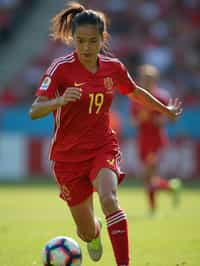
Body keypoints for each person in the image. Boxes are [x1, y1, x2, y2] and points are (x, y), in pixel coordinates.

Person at [29, 2, 182, 265]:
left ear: (103, 39)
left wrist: (165, 109)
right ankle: (95, 232)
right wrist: (60, 100)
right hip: (67, 157)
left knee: (110, 199)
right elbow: (35, 110)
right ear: (72, 39)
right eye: (80, 41)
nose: (86, 48)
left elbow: (135, 91)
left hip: (102, 146)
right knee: (86, 232)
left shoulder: (114, 68)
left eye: (92, 41)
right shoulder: (60, 68)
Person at [130, 64, 182, 214]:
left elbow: (173, 118)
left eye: (148, 78)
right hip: (142, 141)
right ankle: (171, 187)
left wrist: (161, 120)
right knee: (148, 179)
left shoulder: (162, 97)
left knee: (147, 175)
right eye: (143, 78)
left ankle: (153, 210)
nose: (145, 81)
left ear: (155, 80)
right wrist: (141, 118)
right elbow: (133, 122)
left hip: (156, 141)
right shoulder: (137, 98)